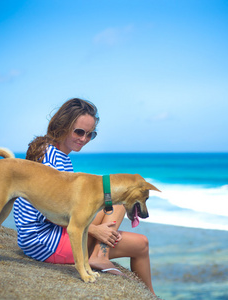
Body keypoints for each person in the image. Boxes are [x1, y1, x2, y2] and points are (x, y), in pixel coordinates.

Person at [13, 98, 154, 294]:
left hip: (45, 233)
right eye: (79, 132)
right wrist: (95, 230)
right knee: (141, 245)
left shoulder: (56, 153)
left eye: (90, 134)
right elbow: (50, 212)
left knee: (117, 200)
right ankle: (151, 296)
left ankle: (98, 254)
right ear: (63, 126)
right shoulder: (50, 161)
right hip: (44, 241)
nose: (84, 139)